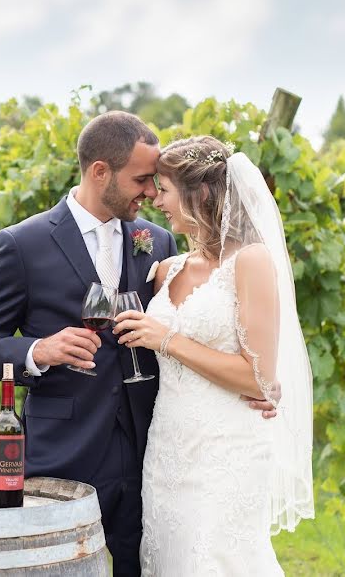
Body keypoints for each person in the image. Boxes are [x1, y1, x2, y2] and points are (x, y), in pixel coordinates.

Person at [0, 114, 275, 576]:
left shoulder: (160, 242)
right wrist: (38, 351)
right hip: (64, 452)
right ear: (100, 171)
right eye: (142, 180)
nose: (151, 192)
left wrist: (260, 383)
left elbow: (205, 330)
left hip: (156, 451)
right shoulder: (22, 244)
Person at [112, 136, 315, 575]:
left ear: (200, 193)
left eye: (163, 189)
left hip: (226, 450)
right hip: (167, 447)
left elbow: (258, 378)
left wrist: (166, 339)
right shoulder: (167, 269)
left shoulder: (251, 261)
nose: (155, 199)